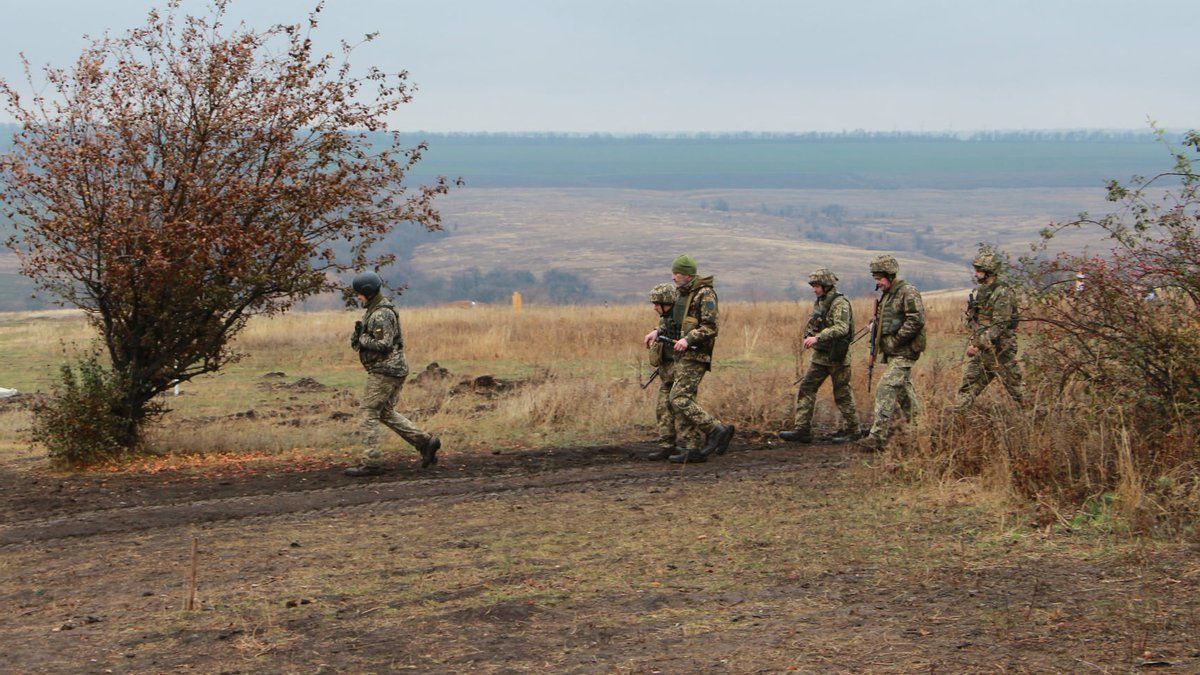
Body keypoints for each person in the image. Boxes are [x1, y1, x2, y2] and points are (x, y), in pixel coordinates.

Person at [344, 272, 441, 477]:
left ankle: (371, 462)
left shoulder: (380, 314)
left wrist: (362, 339)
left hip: (385, 370)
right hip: (392, 369)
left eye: (360, 294)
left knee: (368, 412)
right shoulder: (377, 310)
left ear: (368, 292)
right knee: (385, 412)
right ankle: (425, 442)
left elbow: (384, 344)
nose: (358, 297)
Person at [643, 255, 734, 463]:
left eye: (677, 273)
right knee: (666, 401)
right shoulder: (679, 294)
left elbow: (710, 327)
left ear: (687, 274)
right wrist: (657, 331)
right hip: (675, 356)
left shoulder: (705, 294)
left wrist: (688, 339)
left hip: (694, 355)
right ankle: (671, 445)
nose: (673, 277)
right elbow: (672, 321)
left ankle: (715, 430)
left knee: (680, 398)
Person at [779, 268, 860, 444]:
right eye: (813, 286)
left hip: (837, 356)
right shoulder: (821, 302)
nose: (814, 289)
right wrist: (810, 335)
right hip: (821, 356)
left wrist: (818, 337)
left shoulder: (840, 303)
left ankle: (854, 431)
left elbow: (842, 328)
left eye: (816, 286)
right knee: (807, 387)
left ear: (826, 285)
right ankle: (802, 429)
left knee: (842, 393)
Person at [857, 255, 925, 451]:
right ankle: (920, 430)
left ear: (890, 275)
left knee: (885, 387)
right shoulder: (888, 295)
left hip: (905, 351)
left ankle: (877, 437)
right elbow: (887, 318)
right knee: (904, 393)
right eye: (876, 279)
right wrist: (874, 325)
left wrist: (896, 340)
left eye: (879, 278)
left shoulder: (907, 292)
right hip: (894, 352)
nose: (877, 282)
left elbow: (916, 320)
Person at [954, 249, 1024, 408]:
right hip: (986, 350)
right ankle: (957, 416)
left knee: (1017, 389)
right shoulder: (982, 292)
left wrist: (977, 344)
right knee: (969, 384)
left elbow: (999, 325)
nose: (976, 274)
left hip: (1001, 350)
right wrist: (972, 319)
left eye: (979, 270)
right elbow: (979, 323)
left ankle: (1037, 414)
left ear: (989, 271)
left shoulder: (1003, 292)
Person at [644, 282, 681, 460]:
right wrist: (656, 332)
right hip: (666, 369)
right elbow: (665, 330)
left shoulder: (682, 318)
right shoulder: (665, 318)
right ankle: (667, 446)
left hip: (680, 369)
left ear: (667, 303)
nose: (655, 308)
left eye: (657, 304)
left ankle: (709, 434)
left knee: (682, 406)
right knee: (662, 408)